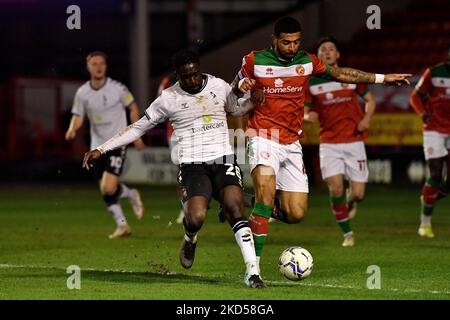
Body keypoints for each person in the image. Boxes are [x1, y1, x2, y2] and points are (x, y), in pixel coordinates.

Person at [233, 16, 411, 273]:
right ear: (274, 40)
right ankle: (253, 271)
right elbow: (232, 89)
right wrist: (241, 86)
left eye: (296, 42)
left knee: (296, 214)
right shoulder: (254, 60)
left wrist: (383, 78)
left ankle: (256, 205)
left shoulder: (307, 61)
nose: (292, 47)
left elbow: (340, 73)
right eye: (286, 42)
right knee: (267, 194)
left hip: (292, 141)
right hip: (263, 134)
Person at [82, 49, 266, 288]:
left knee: (234, 207)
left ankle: (253, 273)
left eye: (195, 74)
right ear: (178, 75)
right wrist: (102, 148)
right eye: (186, 76)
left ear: (199, 69)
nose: (193, 80)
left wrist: (252, 101)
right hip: (191, 164)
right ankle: (190, 238)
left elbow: (234, 108)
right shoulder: (168, 98)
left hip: (223, 159)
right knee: (197, 217)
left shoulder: (218, 85)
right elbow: (138, 128)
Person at [304, 36, 377, 247]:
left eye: (331, 49)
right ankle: (347, 234)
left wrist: (366, 118)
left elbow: (371, 100)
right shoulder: (312, 82)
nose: (327, 52)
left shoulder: (350, 75)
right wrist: (309, 117)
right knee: (335, 189)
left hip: (354, 140)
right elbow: (304, 111)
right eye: (323, 50)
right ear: (318, 57)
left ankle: (351, 199)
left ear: (338, 54)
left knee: (359, 194)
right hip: (329, 143)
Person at [65, 51, 145, 239]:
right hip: (96, 148)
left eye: (101, 63)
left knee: (108, 187)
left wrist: (136, 134)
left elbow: (132, 107)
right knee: (105, 189)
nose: (98, 67)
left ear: (106, 66)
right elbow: (78, 116)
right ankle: (124, 221)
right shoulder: (83, 92)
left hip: (117, 142)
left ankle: (129, 200)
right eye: (94, 64)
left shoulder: (118, 88)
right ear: (88, 67)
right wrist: (72, 129)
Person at [409, 45, 450, 238]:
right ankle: (425, 223)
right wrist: (423, 114)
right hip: (434, 129)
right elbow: (415, 97)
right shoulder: (433, 73)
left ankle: (428, 196)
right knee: (435, 173)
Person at [157, 72, 185, 224]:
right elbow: (160, 103)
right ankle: (185, 209)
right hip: (174, 133)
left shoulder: (197, 77)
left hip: (194, 130)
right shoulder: (168, 80)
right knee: (182, 171)